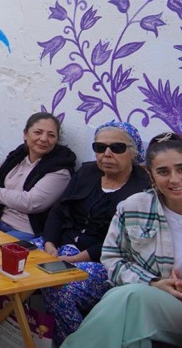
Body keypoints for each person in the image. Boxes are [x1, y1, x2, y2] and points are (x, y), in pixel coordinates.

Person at [36, 121, 152, 346]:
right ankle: (3, 328)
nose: (107, 154)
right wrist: (50, 245)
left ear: (133, 152)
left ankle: (78, 342)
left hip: (102, 264)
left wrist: (75, 258)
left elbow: (123, 243)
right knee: (11, 259)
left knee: (59, 287)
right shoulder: (88, 171)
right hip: (59, 249)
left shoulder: (143, 189)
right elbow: (59, 210)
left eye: (117, 148)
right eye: (100, 147)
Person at [63, 132, 182, 348]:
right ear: (151, 176)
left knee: (128, 300)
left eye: (181, 169)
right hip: (153, 301)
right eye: (163, 172)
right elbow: (112, 257)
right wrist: (153, 282)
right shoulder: (133, 207)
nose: (174, 179)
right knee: (131, 320)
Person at [0, 113, 75, 240]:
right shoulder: (16, 158)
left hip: (26, 233)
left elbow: (30, 202)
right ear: (25, 134)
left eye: (51, 135)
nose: (43, 139)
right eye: (38, 132)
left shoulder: (60, 170)